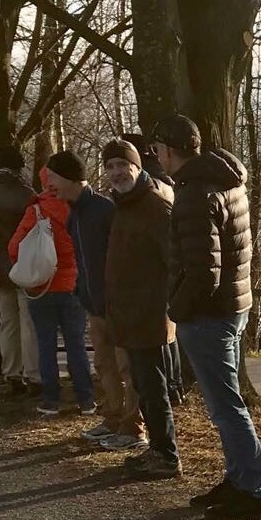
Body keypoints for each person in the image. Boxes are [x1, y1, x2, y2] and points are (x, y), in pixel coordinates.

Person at [151, 114, 261, 520]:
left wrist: (176, 309)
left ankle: (253, 490)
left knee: (225, 406)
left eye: (157, 151)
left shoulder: (193, 193)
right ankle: (240, 479)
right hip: (233, 307)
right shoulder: (226, 180)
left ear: (167, 151)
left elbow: (204, 271)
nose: (158, 158)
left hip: (208, 314)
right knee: (227, 403)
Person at [48, 149, 141, 448]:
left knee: (128, 367)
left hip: (117, 305)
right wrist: (81, 291)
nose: (50, 184)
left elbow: (123, 258)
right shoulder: (74, 212)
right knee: (104, 366)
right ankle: (114, 418)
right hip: (93, 303)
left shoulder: (104, 210)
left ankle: (134, 427)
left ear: (69, 178)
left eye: (53, 178)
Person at [101, 138, 180, 479]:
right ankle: (157, 451)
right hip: (127, 316)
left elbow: (173, 264)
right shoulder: (122, 204)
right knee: (143, 390)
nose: (118, 172)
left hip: (150, 316)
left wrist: (167, 308)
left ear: (138, 167)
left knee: (153, 390)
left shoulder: (154, 206)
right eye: (111, 167)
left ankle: (167, 455)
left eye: (124, 165)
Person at [9, 159, 94, 414]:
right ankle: (86, 398)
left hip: (42, 286)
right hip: (73, 284)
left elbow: (14, 247)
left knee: (45, 344)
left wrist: (29, 264)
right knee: (76, 343)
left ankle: (51, 400)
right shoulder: (79, 207)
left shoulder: (35, 211)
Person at [0, 145, 41, 396]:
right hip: (24, 264)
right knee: (28, 321)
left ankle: (12, 372)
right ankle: (33, 374)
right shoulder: (27, 194)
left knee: (6, 321)